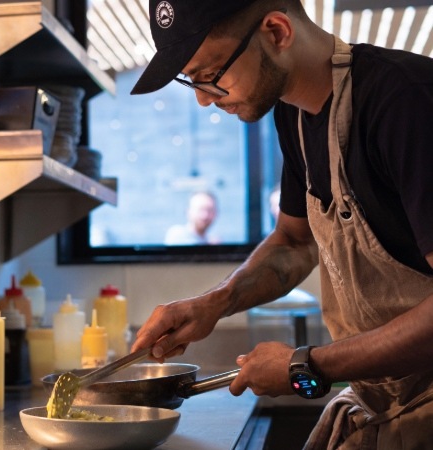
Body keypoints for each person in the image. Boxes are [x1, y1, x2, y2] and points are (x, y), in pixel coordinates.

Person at [130, 0, 433, 447]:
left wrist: (310, 365)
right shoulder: (293, 115)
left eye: (210, 75)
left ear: (275, 32)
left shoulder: (404, 101)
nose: (201, 98)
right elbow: (294, 242)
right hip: (384, 401)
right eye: (191, 81)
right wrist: (214, 304)